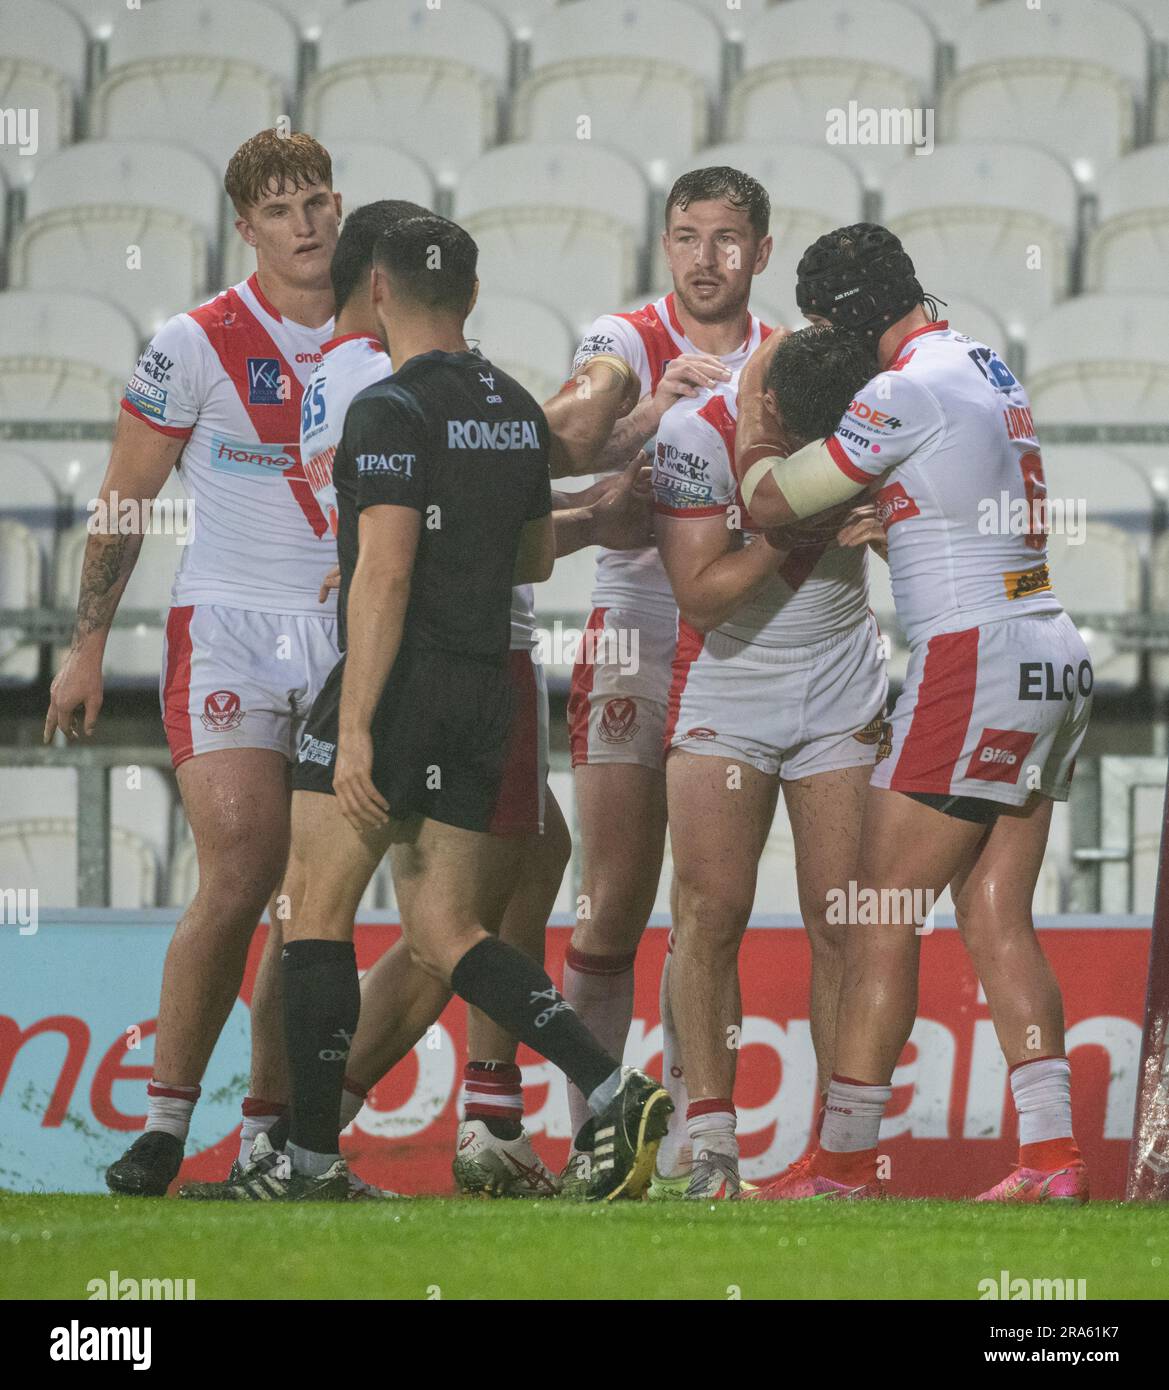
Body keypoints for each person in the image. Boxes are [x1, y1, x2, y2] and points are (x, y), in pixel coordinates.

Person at [184, 200, 654, 1200]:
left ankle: (306, 1161)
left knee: (315, 915)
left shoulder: (383, 405)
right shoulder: (513, 406)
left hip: (397, 680)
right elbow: (530, 554)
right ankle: (611, 1083)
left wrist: (352, 726)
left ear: (381, 289)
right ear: (471, 294)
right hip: (489, 682)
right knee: (447, 930)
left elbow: (384, 576)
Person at [734, 225, 1093, 1203]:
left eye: (821, 327)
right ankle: (1051, 1161)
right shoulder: (981, 361)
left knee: (874, 908)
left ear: (846, 318)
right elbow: (959, 507)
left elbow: (773, 502)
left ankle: (841, 1167)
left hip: (972, 655)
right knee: (991, 911)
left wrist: (749, 411)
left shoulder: (898, 391)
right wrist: (892, 517)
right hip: (1047, 646)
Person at [45, 130, 344, 1198]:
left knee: (313, 900)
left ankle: (267, 1137)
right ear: (245, 228)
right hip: (227, 629)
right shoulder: (196, 339)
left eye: (316, 200)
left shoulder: (382, 331)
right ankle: (165, 1125)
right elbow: (124, 497)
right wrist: (86, 646)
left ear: (338, 207)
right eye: (280, 209)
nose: (304, 223)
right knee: (242, 871)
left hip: (350, 639)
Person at [559, 166, 784, 1196]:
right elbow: (568, 455)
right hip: (628, 636)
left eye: (726, 238)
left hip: (728, 644)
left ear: (760, 252)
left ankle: (700, 1135)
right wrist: (650, 412)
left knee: (705, 908)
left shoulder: (787, 359)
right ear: (665, 245)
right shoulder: (622, 340)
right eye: (687, 236)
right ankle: (598, 1128)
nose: (705, 259)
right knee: (609, 905)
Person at [650, 327, 888, 1197]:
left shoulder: (872, 418)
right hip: (730, 687)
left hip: (840, 687)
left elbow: (927, 550)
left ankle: (834, 1158)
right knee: (711, 913)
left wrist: (888, 529)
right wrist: (799, 531)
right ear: (771, 408)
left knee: (840, 921)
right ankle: (710, 1145)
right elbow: (699, 598)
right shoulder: (692, 434)